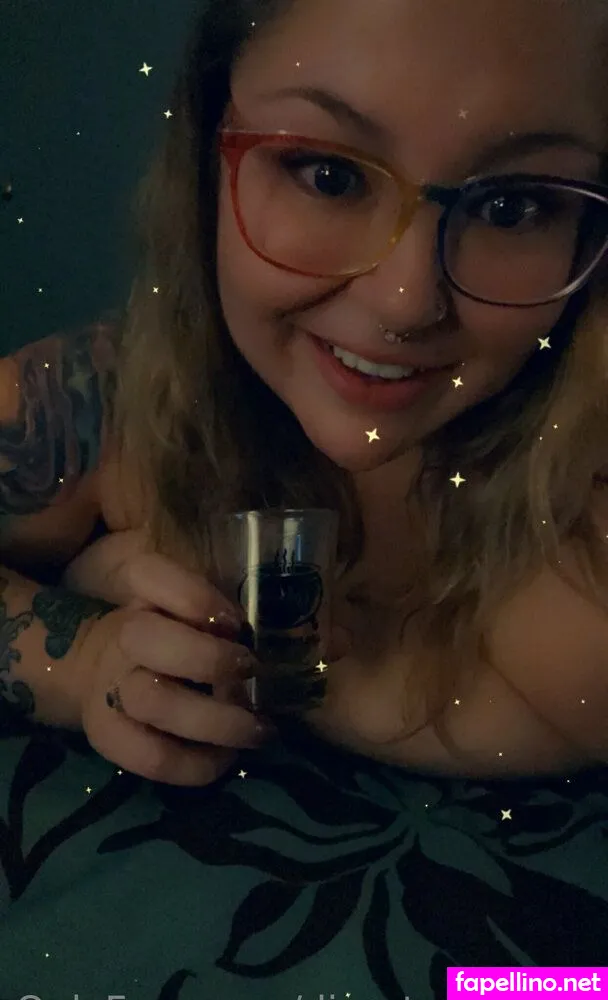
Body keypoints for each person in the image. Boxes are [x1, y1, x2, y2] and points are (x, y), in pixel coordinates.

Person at [2, 0, 608, 787]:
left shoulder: (578, 476)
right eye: (330, 175)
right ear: (208, 150)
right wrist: (81, 657)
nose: (405, 301)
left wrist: (147, 582)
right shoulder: (102, 402)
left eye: (511, 207)